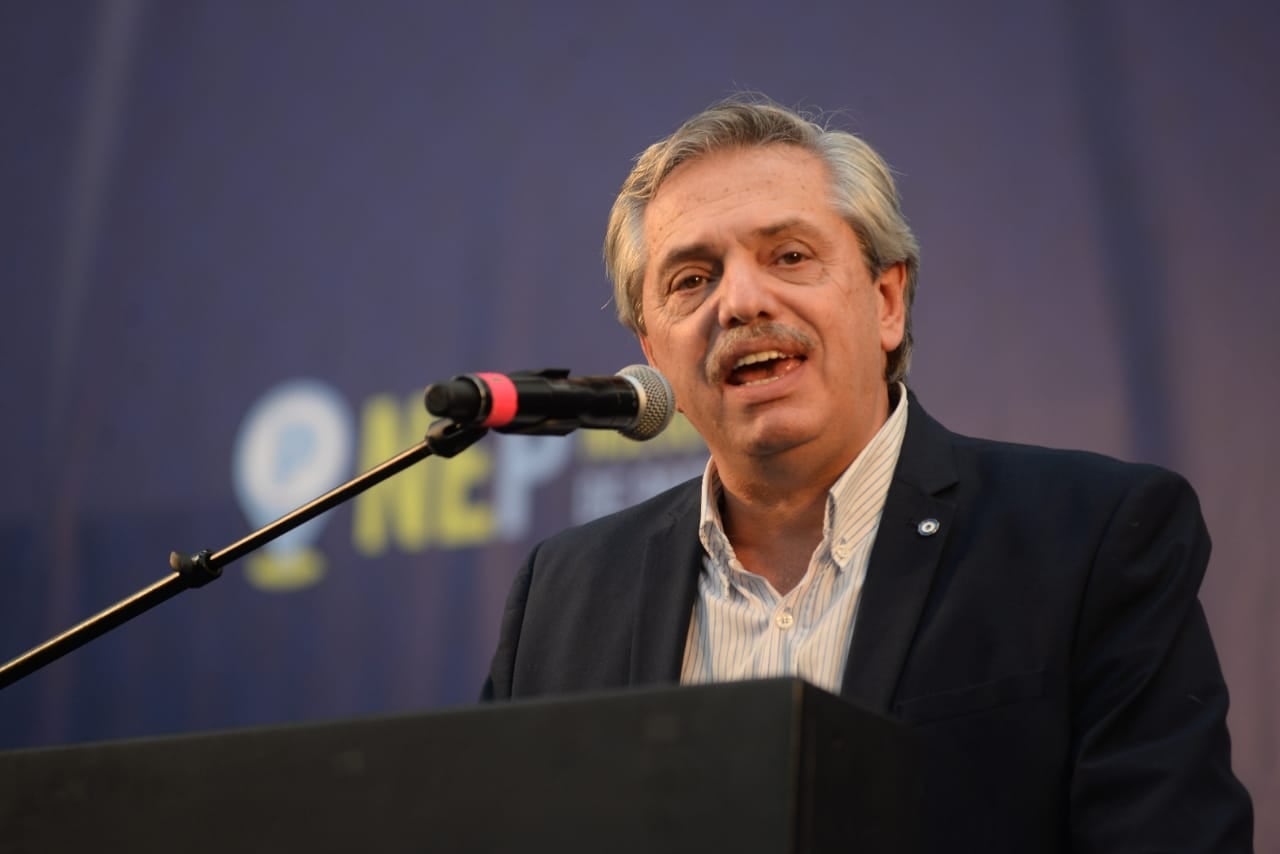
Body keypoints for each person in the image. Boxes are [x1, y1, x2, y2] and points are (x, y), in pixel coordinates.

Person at [482, 96, 1253, 851]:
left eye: (789, 255)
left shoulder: (1089, 538)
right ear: (654, 354)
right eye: (692, 279)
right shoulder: (564, 594)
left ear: (887, 301)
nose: (741, 301)